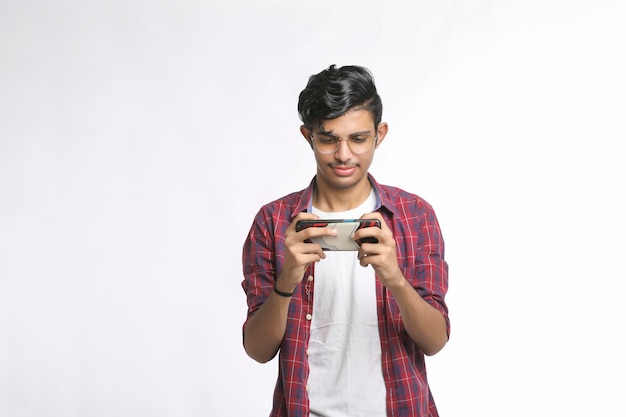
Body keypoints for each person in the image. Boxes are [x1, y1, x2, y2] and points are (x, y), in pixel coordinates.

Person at [241, 64, 450, 417]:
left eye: (357, 138)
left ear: (379, 134)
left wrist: (395, 279)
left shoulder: (415, 216)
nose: (343, 155)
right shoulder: (273, 223)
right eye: (328, 139)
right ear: (308, 136)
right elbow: (258, 350)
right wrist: (287, 279)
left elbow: (435, 340)